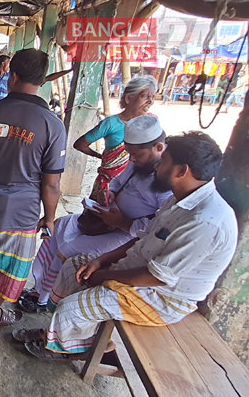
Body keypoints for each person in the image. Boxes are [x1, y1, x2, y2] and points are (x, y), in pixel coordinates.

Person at [15, 131, 237, 360]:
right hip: (140, 270)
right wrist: (101, 261)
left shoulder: (204, 221)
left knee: (75, 306)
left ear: (182, 171)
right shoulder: (179, 198)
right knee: (74, 268)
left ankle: (63, 347)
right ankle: (63, 336)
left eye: (165, 162)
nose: (158, 166)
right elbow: (144, 236)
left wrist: (103, 277)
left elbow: (158, 277)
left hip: (162, 297)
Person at [23, 116, 173, 313]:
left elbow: (155, 227)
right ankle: (39, 287)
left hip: (126, 234)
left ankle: (46, 299)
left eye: (138, 155)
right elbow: (118, 183)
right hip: (105, 220)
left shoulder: (166, 183)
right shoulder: (138, 163)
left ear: (159, 148)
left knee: (69, 248)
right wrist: (108, 194)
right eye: (130, 154)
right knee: (58, 226)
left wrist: (123, 222)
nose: (133, 159)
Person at [0, 49, 67, 326]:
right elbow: (51, 184)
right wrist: (49, 218)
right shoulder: (53, 124)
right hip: (23, 206)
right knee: (14, 260)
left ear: (12, 75)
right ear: (42, 80)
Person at [73, 76, 157, 200]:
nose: (150, 101)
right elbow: (80, 144)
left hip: (134, 186)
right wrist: (101, 157)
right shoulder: (111, 124)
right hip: (109, 184)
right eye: (144, 96)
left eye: (153, 97)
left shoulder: (151, 122)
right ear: (128, 98)